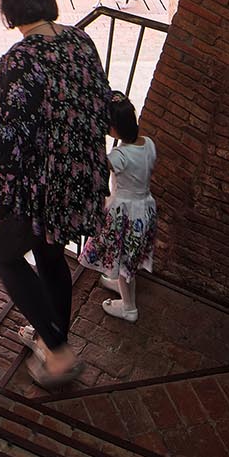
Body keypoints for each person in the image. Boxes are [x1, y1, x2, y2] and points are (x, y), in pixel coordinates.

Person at [0, 0, 111, 388]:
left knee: (5, 250)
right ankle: (53, 335)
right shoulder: (80, 41)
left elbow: (12, 145)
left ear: (11, 10)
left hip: (42, 186)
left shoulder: (19, 61)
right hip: (81, 174)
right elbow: (99, 102)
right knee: (52, 253)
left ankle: (57, 349)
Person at [79, 91, 157, 323]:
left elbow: (97, 168)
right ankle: (120, 285)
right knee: (129, 256)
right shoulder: (149, 144)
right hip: (144, 208)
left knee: (123, 260)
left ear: (114, 129)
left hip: (124, 213)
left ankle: (128, 308)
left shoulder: (120, 155)